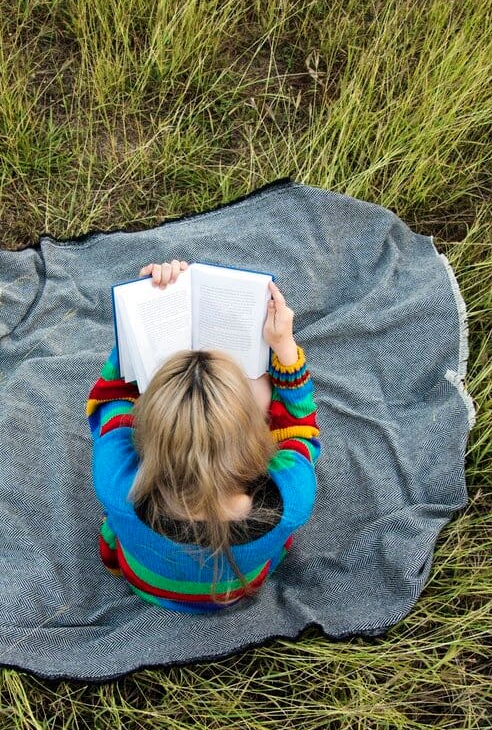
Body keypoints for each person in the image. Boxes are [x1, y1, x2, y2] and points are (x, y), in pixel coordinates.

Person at [86, 259, 321, 612]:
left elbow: (112, 396)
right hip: (239, 586)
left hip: (143, 578)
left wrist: (139, 316)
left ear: (148, 426)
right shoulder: (292, 498)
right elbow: (300, 430)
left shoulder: (115, 482)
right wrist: (284, 350)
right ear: (258, 431)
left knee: (114, 528)